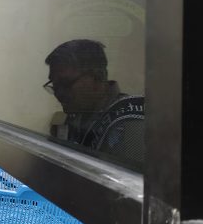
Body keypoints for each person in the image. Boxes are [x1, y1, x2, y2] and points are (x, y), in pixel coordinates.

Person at [44, 39, 145, 169]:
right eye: (55, 85)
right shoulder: (80, 113)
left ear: (98, 77)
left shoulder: (130, 123)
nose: (59, 93)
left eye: (66, 83)